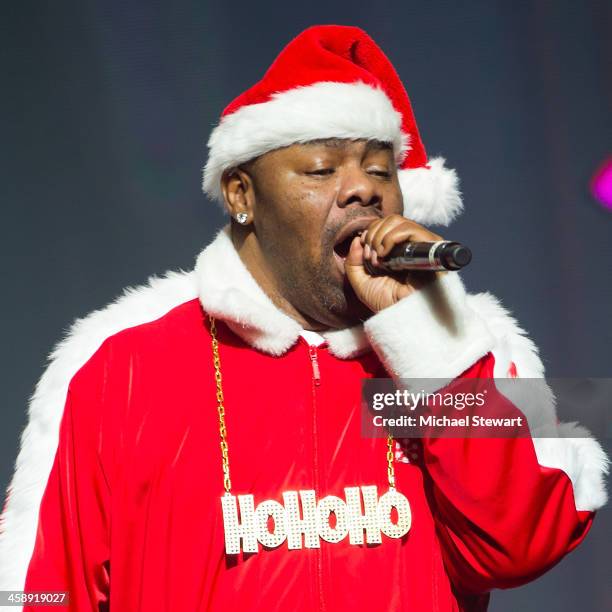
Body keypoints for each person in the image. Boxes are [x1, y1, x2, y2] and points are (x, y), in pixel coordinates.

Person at [0, 24, 608, 612]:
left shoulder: (466, 343)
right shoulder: (118, 365)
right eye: (322, 169)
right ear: (242, 195)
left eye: (378, 170)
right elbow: (33, 593)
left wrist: (425, 340)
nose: (362, 191)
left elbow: (523, 545)